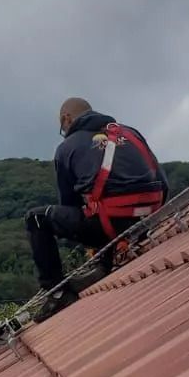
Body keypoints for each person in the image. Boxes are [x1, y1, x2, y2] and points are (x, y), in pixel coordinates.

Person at [25, 97, 168, 310]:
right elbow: (163, 183)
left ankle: (57, 292)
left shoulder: (67, 148)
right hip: (148, 218)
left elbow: (70, 205)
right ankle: (107, 255)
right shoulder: (131, 133)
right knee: (103, 206)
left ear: (66, 119)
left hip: (110, 225)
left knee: (36, 219)